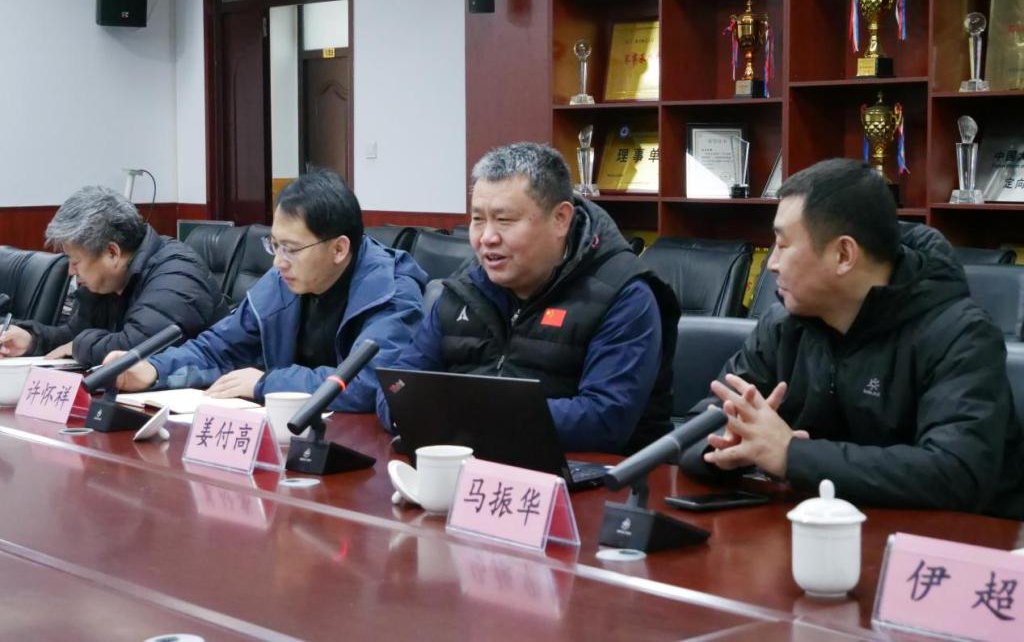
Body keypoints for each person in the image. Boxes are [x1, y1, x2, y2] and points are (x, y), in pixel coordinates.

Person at [682, 158, 1024, 518]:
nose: (771, 263)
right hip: (811, 534)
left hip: (943, 543)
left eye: (782, 245)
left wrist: (792, 456)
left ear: (844, 255)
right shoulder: (783, 325)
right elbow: (691, 434)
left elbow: (957, 473)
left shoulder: (960, 335)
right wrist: (728, 445)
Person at [379, 143, 680, 454]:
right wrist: (451, 415)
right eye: (478, 219)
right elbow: (396, 390)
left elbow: (604, 420)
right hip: (467, 463)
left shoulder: (623, 293)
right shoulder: (465, 286)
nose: (487, 237)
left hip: (594, 475)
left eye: (505, 220)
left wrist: (465, 415)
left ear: (560, 219)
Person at [110, 169, 427, 413]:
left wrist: (266, 383)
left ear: (339, 249)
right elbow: (220, 346)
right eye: (274, 245)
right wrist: (153, 369)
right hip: (290, 430)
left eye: (291, 248)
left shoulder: (391, 292)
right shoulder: (283, 281)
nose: (278, 262)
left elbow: (370, 385)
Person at [0, 186, 225, 367]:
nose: (71, 271)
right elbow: (74, 335)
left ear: (112, 253)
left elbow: (136, 349)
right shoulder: (106, 281)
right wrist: (32, 340)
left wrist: (77, 346)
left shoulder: (177, 275)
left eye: (75, 261)